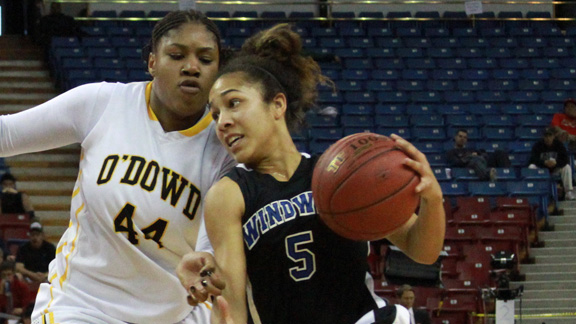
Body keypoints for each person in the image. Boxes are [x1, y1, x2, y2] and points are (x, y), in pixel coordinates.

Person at [177, 23, 445, 324]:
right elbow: (232, 305)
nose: (222, 122)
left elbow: (423, 251)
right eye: (215, 114)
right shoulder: (230, 193)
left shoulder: (338, 175)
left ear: (277, 104)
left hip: (361, 318)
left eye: (233, 103)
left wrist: (432, 199)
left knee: (395, 318)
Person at [0, 10, 236, 324]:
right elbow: (7, 134)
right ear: (152, 62)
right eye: (177, 55)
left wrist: (205, 261)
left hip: (175, 313)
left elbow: (214, 233)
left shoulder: (225, 146)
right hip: (81, 306)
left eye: (205, 60)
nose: (191, 67)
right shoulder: (102, 103)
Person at [528, 127, 575, 200]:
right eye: (546, 136)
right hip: (542, 170)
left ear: (553, 136)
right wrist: (544, 163)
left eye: (550, 136)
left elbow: (565, 159)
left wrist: (556, 163)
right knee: (531, 167)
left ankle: (568, 192)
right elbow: (532, 159)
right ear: (543, 137)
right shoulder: (538, 145)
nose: (548, 138)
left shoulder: (559, 144)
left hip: (555, 170)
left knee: (567, 167)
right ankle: (532, 190)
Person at [446, 129, 511, 181]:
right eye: (460, 136)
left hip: (482, 162)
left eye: (465, 137)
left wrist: (478, 154)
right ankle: (488, 174)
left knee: (499, 153)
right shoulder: (451, 152)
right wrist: (470, 157)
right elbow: (456, 162)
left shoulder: (470, 149)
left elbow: (483, 154)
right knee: (475, 160)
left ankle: (507, 175)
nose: (462, 139)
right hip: (468, 164)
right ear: (455, 137)